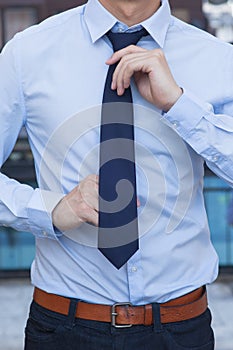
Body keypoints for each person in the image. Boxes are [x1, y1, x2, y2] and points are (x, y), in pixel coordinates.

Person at [1, 0, 233, 349]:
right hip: (63, 328)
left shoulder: (215, 57)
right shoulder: (27, 53)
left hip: (182, 327)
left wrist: (178, 104)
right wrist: (48, 210)